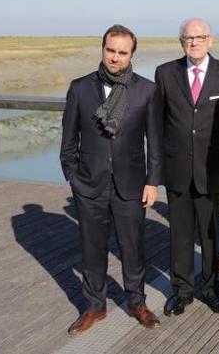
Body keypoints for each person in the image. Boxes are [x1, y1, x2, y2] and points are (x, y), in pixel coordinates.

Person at [60, 24, 162, 335]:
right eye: (110, 50)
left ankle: (137, 302)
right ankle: (95, 306)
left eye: (122, 52)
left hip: (131, 185)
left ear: (132, 55)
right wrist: (74, 179)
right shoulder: (80, 88)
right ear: (102, 49)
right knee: (92, 249)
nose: (114, 57)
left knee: (133, 249)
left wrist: (152, 181)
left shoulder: (146, 90)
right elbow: (68, 143)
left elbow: (154, 141)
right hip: (89, 185)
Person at [153, 18, 219, 317]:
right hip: (177, 169)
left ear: (210, 40)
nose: (194, 42)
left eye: (200, 37)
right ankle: (182, 290)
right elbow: (158, 122)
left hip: (212, 170)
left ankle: (211, 288)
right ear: (181, 42)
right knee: (179, 234)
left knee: (211, 233)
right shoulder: (165, 73)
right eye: (188, 38)